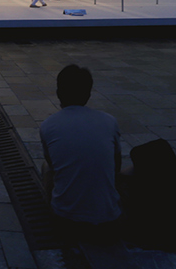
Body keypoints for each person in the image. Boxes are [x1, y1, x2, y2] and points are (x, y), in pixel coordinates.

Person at [40, 65, 122, 243]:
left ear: (58, 92)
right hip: (109, 220)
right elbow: (117, 167)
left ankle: (54, 205)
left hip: (66, 220)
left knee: (46, 167)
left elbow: (53, 166)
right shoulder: (109, 121)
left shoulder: (48, 125)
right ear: (88, 94)